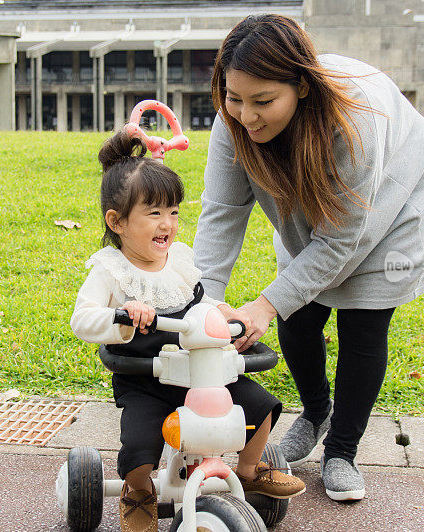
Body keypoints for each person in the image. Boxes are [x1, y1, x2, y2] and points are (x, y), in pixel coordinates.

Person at [193, 14, 424, 502]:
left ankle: (342, 451)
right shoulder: (235, 122)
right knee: (300, 319)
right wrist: (206, 300)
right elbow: (222, 212)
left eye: (264, 101)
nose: (247, 115)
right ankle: (315, 410)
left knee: (363, 325)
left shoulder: (355, 125)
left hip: (394, 199)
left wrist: (262, 306)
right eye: (234, 98)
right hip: (316, 212)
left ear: (302, 85)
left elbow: (339, 241)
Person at [70, 130, 305, 532]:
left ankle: (249, 470)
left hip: (198, 374)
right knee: (140, 445)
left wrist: (224, 311)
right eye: (154, 213)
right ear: (118, 221)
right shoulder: (110, 270)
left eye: (174, 212)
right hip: (144, 377)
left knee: (260, 406)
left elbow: (199, 301)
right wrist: (123, 315)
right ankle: (139, 490)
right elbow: (82, 320)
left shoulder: (178, 260)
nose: (168, 224)